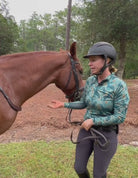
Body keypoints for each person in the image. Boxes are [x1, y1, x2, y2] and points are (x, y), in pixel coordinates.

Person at [48, 42, 130, 178]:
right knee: (79, 168)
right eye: (89, 61)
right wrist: (63, 104)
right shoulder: (91, 81)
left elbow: (120, 117)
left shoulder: (119, 85)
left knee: (99, 174)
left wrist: (94, 120)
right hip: (86, 131)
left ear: (107, 60)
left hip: (106, 136)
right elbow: (83, 103)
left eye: (93, 60)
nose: (89, 64)